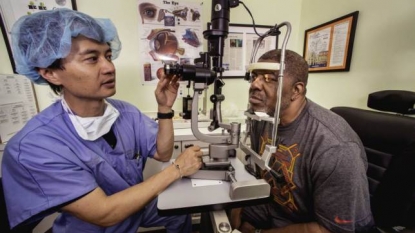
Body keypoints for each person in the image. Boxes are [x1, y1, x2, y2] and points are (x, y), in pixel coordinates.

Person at [1, 8, 203, 233]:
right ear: (50, 73)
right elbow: (104, 213)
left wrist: (164, 108)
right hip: (92, 227)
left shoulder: (125, 113)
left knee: (178, 212)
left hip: (131, 213)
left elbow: (162, 153)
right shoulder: (35, 145)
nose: (109, 67)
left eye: (107, 56)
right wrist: (176, 169)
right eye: (91, 59)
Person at [231, 49, 375, 233]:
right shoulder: (265, 119)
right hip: (276, 206)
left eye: (269, 78)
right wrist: (239, 211)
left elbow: (329, 229)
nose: (255, 85)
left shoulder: (335, 147)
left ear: (296, 91)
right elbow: (259, 174)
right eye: (255, 77)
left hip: (316, 224)